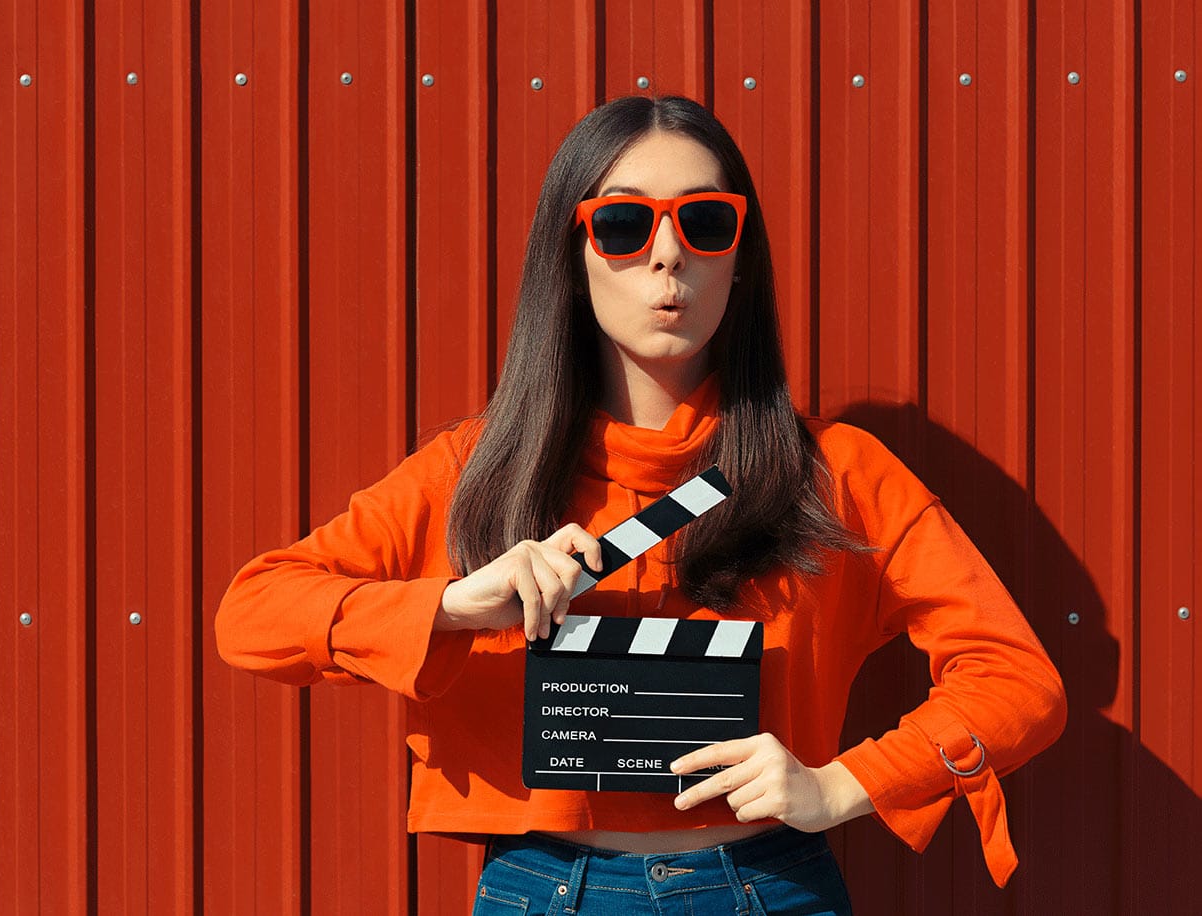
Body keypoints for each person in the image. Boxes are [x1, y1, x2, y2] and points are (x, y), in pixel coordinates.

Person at [215, 95, 1066, 915]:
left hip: (763, 888)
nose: (668, 255)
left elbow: (1016, 678)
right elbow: (251, 614)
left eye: (704, 222)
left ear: (740, 254)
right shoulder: (472, 472)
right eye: (624, 224)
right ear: (572, 253)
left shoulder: (838, 474)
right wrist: (448, 606)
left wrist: (845, 784)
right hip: (542, 890)